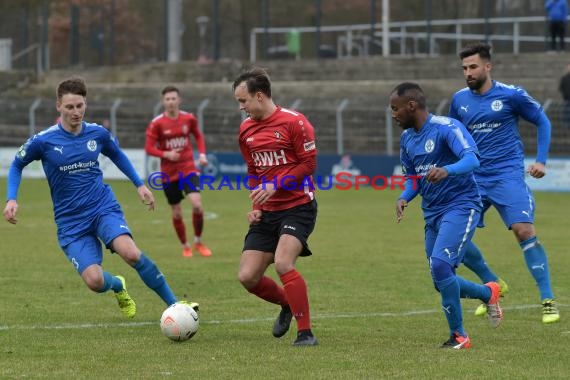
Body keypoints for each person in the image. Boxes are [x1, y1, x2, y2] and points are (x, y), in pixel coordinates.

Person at [3, 77, 198, 319]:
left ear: (85, 103)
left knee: (132, 253)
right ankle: (118, 285)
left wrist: (139, 185)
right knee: (95, 281)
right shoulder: (44, 141)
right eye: (70, 107)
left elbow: (117, 155)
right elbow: (16, 165)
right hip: (70, 221)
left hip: (102, 207)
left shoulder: (98, 133)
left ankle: (176, 305)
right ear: (58, 106)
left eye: (80, 105)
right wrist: (11, 198)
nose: (76, 112)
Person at [449, 42, 560, 324]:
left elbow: (542, 121)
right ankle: (493, 283)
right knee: (455, 238)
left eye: (473, 67)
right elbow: (450, 137)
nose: (468, 72)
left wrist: (541, 161)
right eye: (464, 68)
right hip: (472, 178)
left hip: (506, 175)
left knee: (523, 230)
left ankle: (548, 299)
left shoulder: (512, 95)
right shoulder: (459, 100)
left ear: (488, 66)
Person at [392, 82, 503, 349]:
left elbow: (472, 159)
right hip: (432, 214)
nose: (393, 114)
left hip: (461, 205)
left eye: (395, 109)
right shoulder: (407, 140)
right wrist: (404, 197)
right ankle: (489, 292)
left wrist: (448, 170)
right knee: (440, 281)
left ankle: (459, 336)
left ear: (412, 106)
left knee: (441, 267)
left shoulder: (446, 127)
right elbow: (413, 180)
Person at [233, 68, 318, 346]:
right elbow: (253, 169)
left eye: (243, 101)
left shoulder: (296, 122)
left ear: (259, 96)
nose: (241, 107)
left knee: (283, 262)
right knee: (247, 276)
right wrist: (256, 201)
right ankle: (287, 305)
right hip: (267, 212)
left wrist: (275, 185)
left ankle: (305, 333)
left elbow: (308, 165)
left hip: (298, 207)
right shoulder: (246, 129)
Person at [145, 86, 212, 258]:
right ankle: (185, 245)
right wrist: (165, 153)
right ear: (163, 102)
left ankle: (198, 241)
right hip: (168, 173)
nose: (171, 102)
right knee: (176, 211)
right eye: (167, 99)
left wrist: (202, 154)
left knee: (197, 205)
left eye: (173, 98)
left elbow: (198, 136)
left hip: (188, 168)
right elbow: (149, 148)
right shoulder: (157, 123)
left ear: (179, 100)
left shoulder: (189, 118)